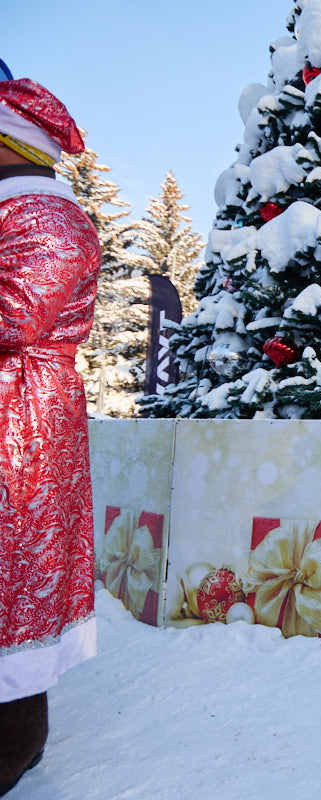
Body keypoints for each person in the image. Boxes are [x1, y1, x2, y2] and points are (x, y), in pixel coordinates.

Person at [0, 78, 99, 795]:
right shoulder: (25, 211)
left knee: (16, 572)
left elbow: (14, 318)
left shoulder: (47, 217)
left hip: (22, 418)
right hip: (18, 406)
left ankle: (13, 745)